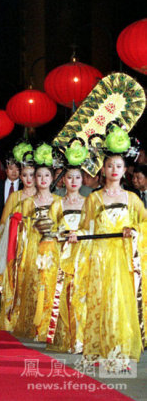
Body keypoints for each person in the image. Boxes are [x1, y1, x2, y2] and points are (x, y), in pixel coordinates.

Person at [67, 130, 147, 369]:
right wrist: (75, 236)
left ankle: (120, 351)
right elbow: (84, 229)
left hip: (122, 259)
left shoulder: (132, 198)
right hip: (99, 258)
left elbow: (144, 224)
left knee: (121, 304)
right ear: (102, 169)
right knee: (100, 302)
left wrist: (132, 229)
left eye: (119, 166)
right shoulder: (93, 199)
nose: (114, 170)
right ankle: (100, 350)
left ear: (125, 171)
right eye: (110, 165)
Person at [11, 145, 62, 340]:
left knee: (51, 286)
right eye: (38, 176)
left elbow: (62, 226)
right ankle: (35, 325)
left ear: (51, 178)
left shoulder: (59, 201)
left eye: (46, 176)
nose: (41, 180)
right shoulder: (27, 203)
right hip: (33, 249)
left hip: (53, 250)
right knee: (33, 285)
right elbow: (19, 230)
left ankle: (51, 326)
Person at [0, 146, 37, 332]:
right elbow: (2, 224)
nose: (28, 179)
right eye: (24, 175)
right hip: (16, 246)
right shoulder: (15, 197)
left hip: (37, 246)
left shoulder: (43, 196)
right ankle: (15, 318)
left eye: (31, 175)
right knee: (16, 282)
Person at [46, 160, 86, 354]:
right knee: (64, 296)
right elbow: (46, 228)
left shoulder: (89, 202)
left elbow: (93, 227)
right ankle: (68, 337)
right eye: (69, 177)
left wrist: (82, 234)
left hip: (83, 254)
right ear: (64, 181)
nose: (73, 181)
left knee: (82, 296)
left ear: (82, 180)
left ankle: (82, 339)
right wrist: (62, 233)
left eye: (77, 177)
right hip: (63, 254)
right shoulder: (57, 204)